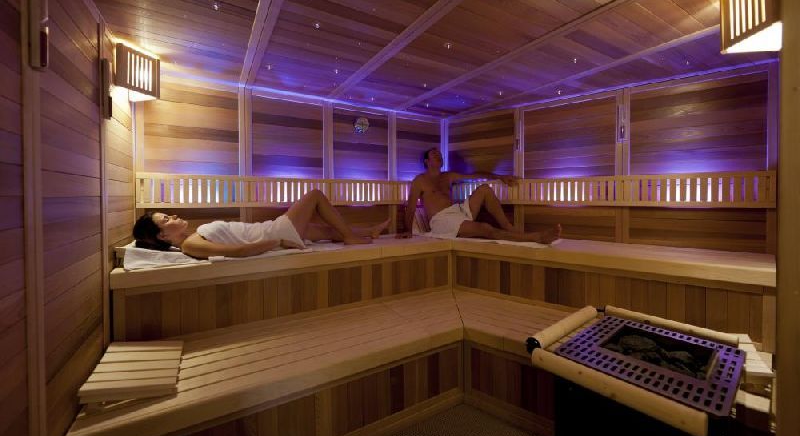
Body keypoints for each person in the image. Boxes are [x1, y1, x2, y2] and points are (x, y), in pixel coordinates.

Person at [133, 189, 388, 259]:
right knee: (315, 196)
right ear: (163, 236)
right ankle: (351, 237)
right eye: (166, 219)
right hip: (273, 233)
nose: (173, 216)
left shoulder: (192, 238)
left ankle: (367, 231)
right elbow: (239, 251)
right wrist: (279, 241)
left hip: (269, 229)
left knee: (322, 230)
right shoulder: (191, 245)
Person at [397, 148, 561, 243]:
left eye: (439, 154)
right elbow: (410, 208)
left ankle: (508, 227)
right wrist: (407, 230)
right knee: (485, 228)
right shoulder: (420, 181)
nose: (438, 155)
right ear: (426, 161)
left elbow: (475, 175)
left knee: (484, 189)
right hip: (442, 221)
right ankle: (537, 237)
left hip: (458, 211)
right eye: (434, 154)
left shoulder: (448, 176)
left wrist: (499, 176)